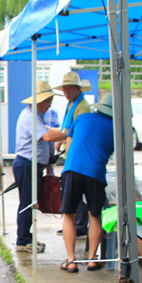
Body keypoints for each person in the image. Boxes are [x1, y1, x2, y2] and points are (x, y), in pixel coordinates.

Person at [58, 94, 114, 273]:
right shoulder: (116, 127)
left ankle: (71, 260)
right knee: (95, 216)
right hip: (95, 172)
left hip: (72, 169)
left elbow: (68, 147)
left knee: (69, 215)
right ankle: (91, 259)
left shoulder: (81, 118)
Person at [13, 80, 67, 253]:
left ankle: (26, 236)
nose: (49, 105)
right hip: (27, 163)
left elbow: (47, 134)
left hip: (31, 164)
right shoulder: (30, 116)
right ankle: (22, 240)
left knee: (31, 202)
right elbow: (48, 137)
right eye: (48, 101)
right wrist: (69, 132)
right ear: (40, 101)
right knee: (27, 203)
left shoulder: (36, 115)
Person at [54, 71, 92, 238]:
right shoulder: (72, 104)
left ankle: (79, 226)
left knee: (77, 194)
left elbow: (79, 133)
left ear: (78, 89)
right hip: (71, 155)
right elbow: (68, 130)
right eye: (64, 89)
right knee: (71, 194)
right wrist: (61, 140)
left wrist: (62, 140)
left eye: (70, 88)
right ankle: (73, 225)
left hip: (79, 157)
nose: (66, 92)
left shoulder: (82, 107)